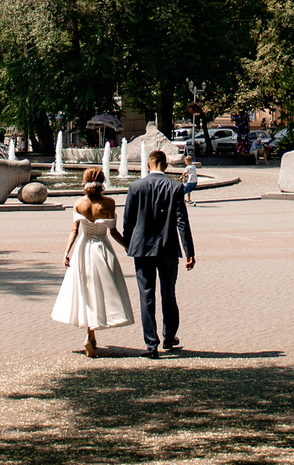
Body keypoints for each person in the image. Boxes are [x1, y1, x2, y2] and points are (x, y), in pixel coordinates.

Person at [118, 149, 197, 358]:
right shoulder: (175, 187)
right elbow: (182, 221)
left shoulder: (135, 187)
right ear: (166, 166)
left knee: (146, 295)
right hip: (168, 247)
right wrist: (189, 250)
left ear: (148, 165)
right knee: (168, 294)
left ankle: (151, 345)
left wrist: (127, 243)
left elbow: (128, 220)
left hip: (142, 248)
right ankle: (169, 337)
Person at [51, 166, 134, 358]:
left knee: (85, 291)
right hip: (102, 249)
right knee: (100, 291)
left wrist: (66, 251)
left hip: (83, 247)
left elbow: (74, 231)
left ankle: (90, 333)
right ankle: (90, 335)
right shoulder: (109, 203)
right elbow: (113, 232)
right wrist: (127, 245)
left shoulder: (79, 203)